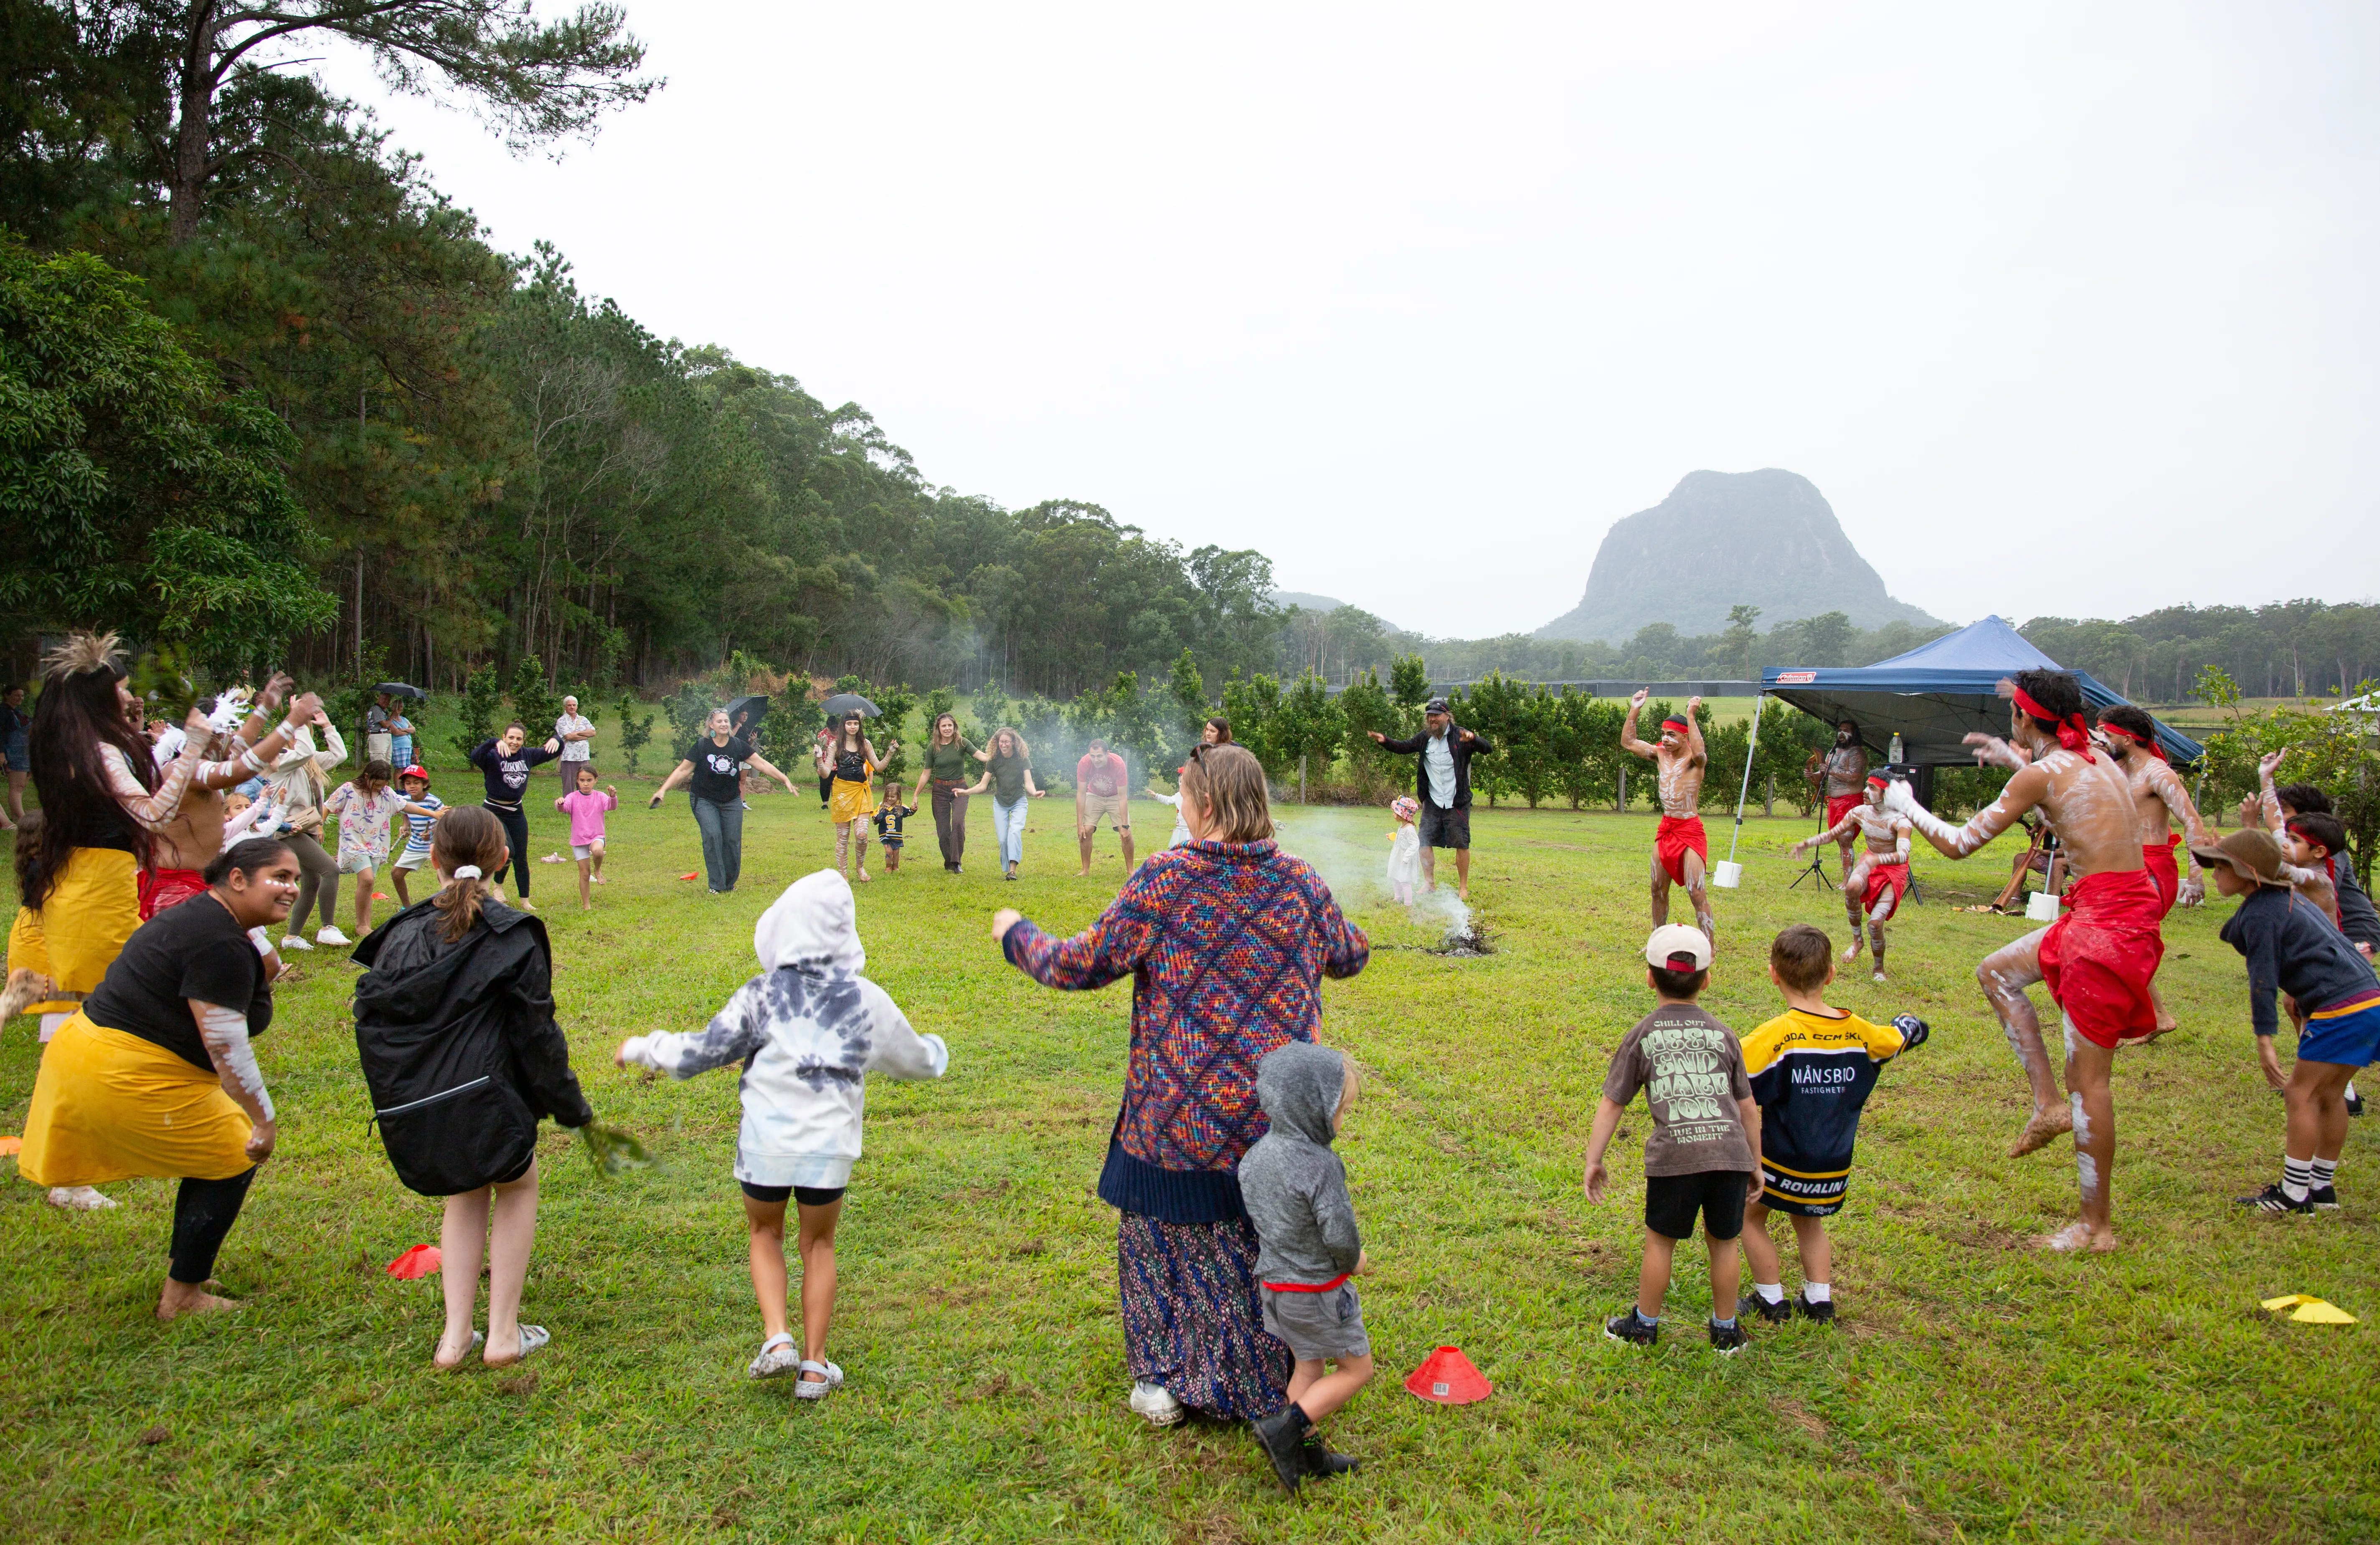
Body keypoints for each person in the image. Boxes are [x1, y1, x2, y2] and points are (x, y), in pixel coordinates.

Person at [991, 742, 1368, 1426]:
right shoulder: (1300, 882)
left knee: (1157, 1241)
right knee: (1267, 1240)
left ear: (1208, 804)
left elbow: (1078, 965)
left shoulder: (1166, 879)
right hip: (1278, 1119)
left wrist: (1016, 933)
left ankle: (1162, 1378)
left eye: (1187, 797)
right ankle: (1265, 1376)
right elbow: (1349, 954)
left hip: (1177, 1117)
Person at [617, 870, 950, 1395]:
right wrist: (937, 1049)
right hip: (829, 1150)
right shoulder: (866, 999)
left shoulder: (762, 994)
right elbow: (917, 1059)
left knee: (763, 1233)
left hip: (765, 1145)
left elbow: (702, 1050)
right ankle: (815, 1366)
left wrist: (643, 1047)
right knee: (819, 1244)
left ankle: (777, 1338)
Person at [1886, 669, 2157, 1251]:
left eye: (2012, 711)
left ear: (2026, 717)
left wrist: (1905, 803)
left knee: (2091, 1083)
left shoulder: (2042, 773)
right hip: (2115, 912)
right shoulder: (2096, 758)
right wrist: (2012, 758)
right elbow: (2063, 793)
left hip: (2104, 930)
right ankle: (2046, 1106)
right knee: (1995, 973)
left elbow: (1958, 845)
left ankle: (2095, 1227)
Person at [351, 807, 596, 1369]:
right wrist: (568, 1104)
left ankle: (454, 1338)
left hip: (422, 1105)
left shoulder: (398, 935)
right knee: (517, 1184)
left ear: (434, 859)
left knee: (465, 1193)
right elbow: (537, 1034)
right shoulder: (512, 934)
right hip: (490, 1102)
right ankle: (503, 1334)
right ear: (503, 860)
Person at [15, 837, 297, 1314]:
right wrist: (264, 1121)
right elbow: (226, 1048)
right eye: (281, 877)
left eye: (295, 879)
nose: (291, 888)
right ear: (237, 879)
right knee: (235, 1150)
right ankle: (182, 1296)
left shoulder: (206, 916)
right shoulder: (219, 942)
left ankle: (187, 1269)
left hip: (95, 1054)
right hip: (120, 1070)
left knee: (216, 1151)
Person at [9, 636, 305, 1060]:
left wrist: (264, 710)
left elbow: (236, 751)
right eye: (122, 689)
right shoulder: (102, 752)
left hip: (102, 881)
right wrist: (289, 722)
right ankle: (57, 1008)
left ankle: (53, 1003)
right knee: (120, 985)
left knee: (123, 981)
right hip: (111, 887)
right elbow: (153, 816)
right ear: (100, 695)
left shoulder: (86, 746)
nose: (129, 697)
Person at [1581, 924, 1760, 1354]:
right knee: (1725, 1244)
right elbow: (1748, 1108)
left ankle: (1644, 1326)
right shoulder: (1724, 1034)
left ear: (1649, 977)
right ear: (1707, 980)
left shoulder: (1643, 1034)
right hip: (1730, 1156)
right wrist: (1755, 1162)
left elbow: (1612, 1103)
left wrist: (1594, 1159)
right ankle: (1726, 1332)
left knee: (1660, 1244)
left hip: (1675, 1159)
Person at [1736, 925, 1928, 1325]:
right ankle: (1819, 1301)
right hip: (1832, 1164)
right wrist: (1910, 1024)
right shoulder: (1858, 1031)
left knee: (1749, 1219)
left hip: (1778, 1159)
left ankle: (1771, 1299)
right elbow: (1898, 1038)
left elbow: (1731, 1069)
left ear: (1773, 974)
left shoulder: (1775, 1036)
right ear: (1830, 975)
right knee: (1811, 1223)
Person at [2194, 830, 2379, 1215]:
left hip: (2340, 1006)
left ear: (2248, 873)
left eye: (2221, 867)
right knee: (2331, 1095)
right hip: (2368, 999)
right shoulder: (2286, 899)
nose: (2214, 874)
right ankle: (2322, 1189)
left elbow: (2263, 980)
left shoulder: (2262, 913)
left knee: (2300, 1094)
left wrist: (2265, 1039)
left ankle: (2294, 1195)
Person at [1242, 1042, 1373, 1492]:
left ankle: (1308, 1454)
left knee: (1307, 1369)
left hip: (1276, 1290)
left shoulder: (1254, 1158)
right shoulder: (1321, 1166)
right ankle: (1284, 1430)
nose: (1342, 1120)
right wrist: (1356, 1261)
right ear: (1313, 1109)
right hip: (1318, 1293)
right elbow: (1340, 1236)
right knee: (1357, 1370)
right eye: (1341, 1110)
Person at [140, 684, 317, 920]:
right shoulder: (187, 770)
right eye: (227, 732)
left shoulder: (196, 765)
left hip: (196, 881)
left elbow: (240, 747)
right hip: (176, 887)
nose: (232, 738)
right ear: (210, 736)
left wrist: (265, 708)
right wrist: (292, 722)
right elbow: (242, 770)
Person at [2098, 705, 2214, 1038]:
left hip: (2151, 868)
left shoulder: (2158, 773)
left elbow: (2192, 821)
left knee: (2121, 941)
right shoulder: (2117, 769)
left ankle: (2153, 1016)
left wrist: (2196, 876)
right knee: (2117, 942)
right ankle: (2154, 1016)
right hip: (2123, 864)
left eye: (2106, 734)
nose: (2101, 740)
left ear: (2127, 738)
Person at [650, 709, 799, 895]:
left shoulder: (737, 745)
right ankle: (716, 885)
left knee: (732, 841)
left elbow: (761, 764)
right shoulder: (702, 745)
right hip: (704, 799)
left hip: (731, 800)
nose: (724, 724)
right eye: (719, 721)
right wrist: (663, 790)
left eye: (726, 721)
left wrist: (784, 779)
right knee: (713, 836)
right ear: (711, 725)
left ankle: (729, 884)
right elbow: (683, 770)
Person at [1366, 697, 1493, 902]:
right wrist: (1385, 741)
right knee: (1423, 840)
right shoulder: (1425, 738)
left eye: (1436, 716)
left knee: (1462, 843)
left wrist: (1474, 739)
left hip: (1457, 800)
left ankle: (1463, 887)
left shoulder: (1461, 736)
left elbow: (1488, 749)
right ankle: (1430, 883)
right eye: (1430, 716)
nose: (1432, 719)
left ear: (1447, 717)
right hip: (1433, 799)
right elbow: (1404, 747)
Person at [1789, 773, 1912, 983]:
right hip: (1870, 861)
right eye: (1867, 786)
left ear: (1886, 794)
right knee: (1852, 888)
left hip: (1893, 871)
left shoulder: (1900, 821)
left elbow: (1903, 855)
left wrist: (1877, 860)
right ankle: (1857, 941)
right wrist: (1807, 843)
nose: (1865, 791)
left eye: (1872, 788)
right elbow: (1833, 834)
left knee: (1875, 924)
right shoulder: (1859, 812)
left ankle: (1879, 968)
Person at [1620, 691, 1713, 940]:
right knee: (1657, 889)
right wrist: (1635, 708)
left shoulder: (1694, 761)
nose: (1665, 739)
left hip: (1690, 829)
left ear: (1685, 737)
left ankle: (1710, 950)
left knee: (1696, 892)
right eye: (1663, 734)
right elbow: (1629, 743)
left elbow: (1700, 753)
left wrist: (1691, 715)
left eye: (1671, 735)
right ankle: (1657, 941)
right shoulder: (1660, 754)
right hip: (1667, 827)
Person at [262, 707, 350, 947]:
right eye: (299, 730)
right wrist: (299, 720)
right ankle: (328, 927)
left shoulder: (307, 760)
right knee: (331, 870)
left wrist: (327, 726)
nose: (303, 734)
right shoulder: (280, 758)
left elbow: (340, 755)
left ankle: (292, 937)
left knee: (312, 881)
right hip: (286, 828)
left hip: (306, 826)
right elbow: (305, 751)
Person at [467, 721, 563, 911]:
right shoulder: (493, 755)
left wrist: (557, 739)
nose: (515, 742)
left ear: (523, 741)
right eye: (510, 738)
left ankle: (525, 901)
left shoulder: (527, 755)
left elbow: (555, 750)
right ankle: (498, 886)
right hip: (493, 811)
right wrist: (493, 742)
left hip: (516, 812)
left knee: (521, 856)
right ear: (504, 737)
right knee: (507, 850)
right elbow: (475, 756)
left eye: (519, 739)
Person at [322, 759, 422, 941]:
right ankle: (361, 925)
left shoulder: (385, 792)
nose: (379, 789)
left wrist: (433, 814)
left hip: (376, 843)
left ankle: (365, 926)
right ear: (367, 777)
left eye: (382, 786)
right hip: (352, 842)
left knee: (368, 884)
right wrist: (319, 826)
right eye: (376, 785)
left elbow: (404, 806)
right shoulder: (348, 789)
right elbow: (328, 806)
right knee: (367, 879)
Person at [815, 712, 893, 883]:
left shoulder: (866, 744)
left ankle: (860, 867)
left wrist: (890, 753)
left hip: (861, 791)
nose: (853, 727)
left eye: (856, 724)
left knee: (862, 835)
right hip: (842, 793)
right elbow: (826, 773)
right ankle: (843, 874)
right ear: (844, 726)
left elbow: (879, 767)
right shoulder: (835, 745)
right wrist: (819, 759)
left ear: (860, 726)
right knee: (843, 838)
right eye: (849, 724)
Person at [959, 728, 1045, 881]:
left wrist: (1034, 793)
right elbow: (983, 786)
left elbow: (1028, 782)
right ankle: (1007, 868)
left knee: (1015, 832)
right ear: (997, 743)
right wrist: (966, 792)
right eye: (1001, 742)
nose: (1004, 745)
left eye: (1007, 742)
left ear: (1014, 742)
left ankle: (1012, 871)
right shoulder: (994, 760)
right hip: (1000, 802)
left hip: (1019, 801)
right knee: (1003, 840)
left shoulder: (1022, 759)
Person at [912, 712, 987, 873]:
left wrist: (1000, 755)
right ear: (938, 728)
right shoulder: (933, 748)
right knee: (943, 830)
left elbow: (982, 756)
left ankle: (956, 862)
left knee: (958, 823)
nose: (947, 728)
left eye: (950, 725)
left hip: (960, 789)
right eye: (944, 726)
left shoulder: (962, 743)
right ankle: (949, 861)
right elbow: (926, 774)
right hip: (940, 791)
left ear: (955, 727)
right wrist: (916, 795)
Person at [1804, 721, 1870, 879]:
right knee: (1841, 841)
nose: (1841, 733)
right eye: (1840, 730)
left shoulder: (1858, 753)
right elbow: (1824, 776)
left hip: (1850, 801)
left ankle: (1848, 879)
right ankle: (1848, 876)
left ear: (1854, 734)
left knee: (1845, 840)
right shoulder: (1833, 753)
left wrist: (1830, 771)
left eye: (1846, 730)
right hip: (1834, 803)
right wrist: (1813, 776)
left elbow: (1855, 777)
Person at [556, 767, 617, 909]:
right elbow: (564, 808)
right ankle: (586, 905)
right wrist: (560, 804)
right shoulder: (573, 797)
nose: (585, 784)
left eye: (589, 780)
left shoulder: (600, 796)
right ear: (577, 781)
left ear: (596, 781)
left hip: (596, 836)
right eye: (582, 780)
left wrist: (613, 797)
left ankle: (598, 869)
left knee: (598, 851)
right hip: (579, 840)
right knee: (584, 874)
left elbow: (611, 806)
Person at [1074, 736, 1136, 877]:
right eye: (1093, 756)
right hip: (1094, 795)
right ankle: (1085, 870)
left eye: (1099, 756)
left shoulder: (1118, 763)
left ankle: (1131, 870)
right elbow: (1081, 794)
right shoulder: (1084, 763)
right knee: (1086, 831)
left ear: (1108, 753)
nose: (1096, 760)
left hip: (1115, 796)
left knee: (1126, 833)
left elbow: (1122, 796)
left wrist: (1125, 825)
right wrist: (1079, 825)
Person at [389, 766, 446, 907]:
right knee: (396, 874)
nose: (412, 786)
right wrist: (405, 826)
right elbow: (405, 814)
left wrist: (432, 832)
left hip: (437, 845)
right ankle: (406, 908)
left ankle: (449, 903)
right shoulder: (404, 800)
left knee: (444, 875)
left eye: (416, 783)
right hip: (416, 845)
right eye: (408, 783)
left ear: (425, 784)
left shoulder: (434, 802)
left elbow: (446, 821)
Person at [0, 681, 30, 829]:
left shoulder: (18, 712)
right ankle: (18, 817)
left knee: (20, 785)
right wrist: (1, 753)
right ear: (7, 696)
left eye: (22, 696)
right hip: (11, 752)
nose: (21, 698)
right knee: (17, 786)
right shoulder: (3, 712)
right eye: (17, 695)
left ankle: (15, 816)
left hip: (21, 753)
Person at [1385, 795, 1421, 906]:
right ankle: (1398, 898)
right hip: (1398, 856)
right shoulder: (1403, 826)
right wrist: (1394, 837)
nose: (1393, 814)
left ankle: (1408, 904)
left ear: (1402, 814)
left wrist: (1406, 858)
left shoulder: (1410, 828)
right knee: (1395, 877)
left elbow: (1415, 844)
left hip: (1405, 859)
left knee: (1404, 880)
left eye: (1395, 812)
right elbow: (1403, 840)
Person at [553, 696, 596, 790]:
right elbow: (569, 737)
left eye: (574, 705)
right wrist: (585, 735)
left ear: (577, 706)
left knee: (585, 786)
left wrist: (577, 733)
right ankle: (569, 801)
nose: (572, 707)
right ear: (565, 707)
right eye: (569, 705)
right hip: (569, 758)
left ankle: (583, 800)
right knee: (569, 786)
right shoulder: (562, 721)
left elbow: (593, 733)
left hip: (584, 757)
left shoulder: (583, 719)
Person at [871, 783, 914, 873]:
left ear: (898, 796)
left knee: (896, 852)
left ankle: (896, 867)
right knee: (889, 851)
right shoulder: (881, 807)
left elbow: (908, 813)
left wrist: (914, 809)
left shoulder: (901, 807)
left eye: (893, 797)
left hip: (897, 834)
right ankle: (888, 867)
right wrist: (879, 816)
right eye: (888, 796)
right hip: (885, 834)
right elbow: (875, 820)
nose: (890, 799)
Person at [364, 691, 395, 768]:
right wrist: (393, 716)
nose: (386, 701)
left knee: (387, 763)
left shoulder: (383, 711)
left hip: (385, 737)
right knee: (380, 763)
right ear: (379, 699)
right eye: (384, 699)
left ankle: (385, 776)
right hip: (378, 737)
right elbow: (385, 725)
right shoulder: (376, 709)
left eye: (388, 700)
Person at [385, 701, 415, 773]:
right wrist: (408, 732)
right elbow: (397, 733)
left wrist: (404, 730)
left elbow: (414, 730)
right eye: (397, 706)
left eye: (401, 706)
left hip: (408, 746)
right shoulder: (390, 720)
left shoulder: (404, 719)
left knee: (407, 768)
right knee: (400, 768)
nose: (399, 708)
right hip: (398, 746)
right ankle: (398, 782)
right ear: (393, 708)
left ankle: (404, 781)